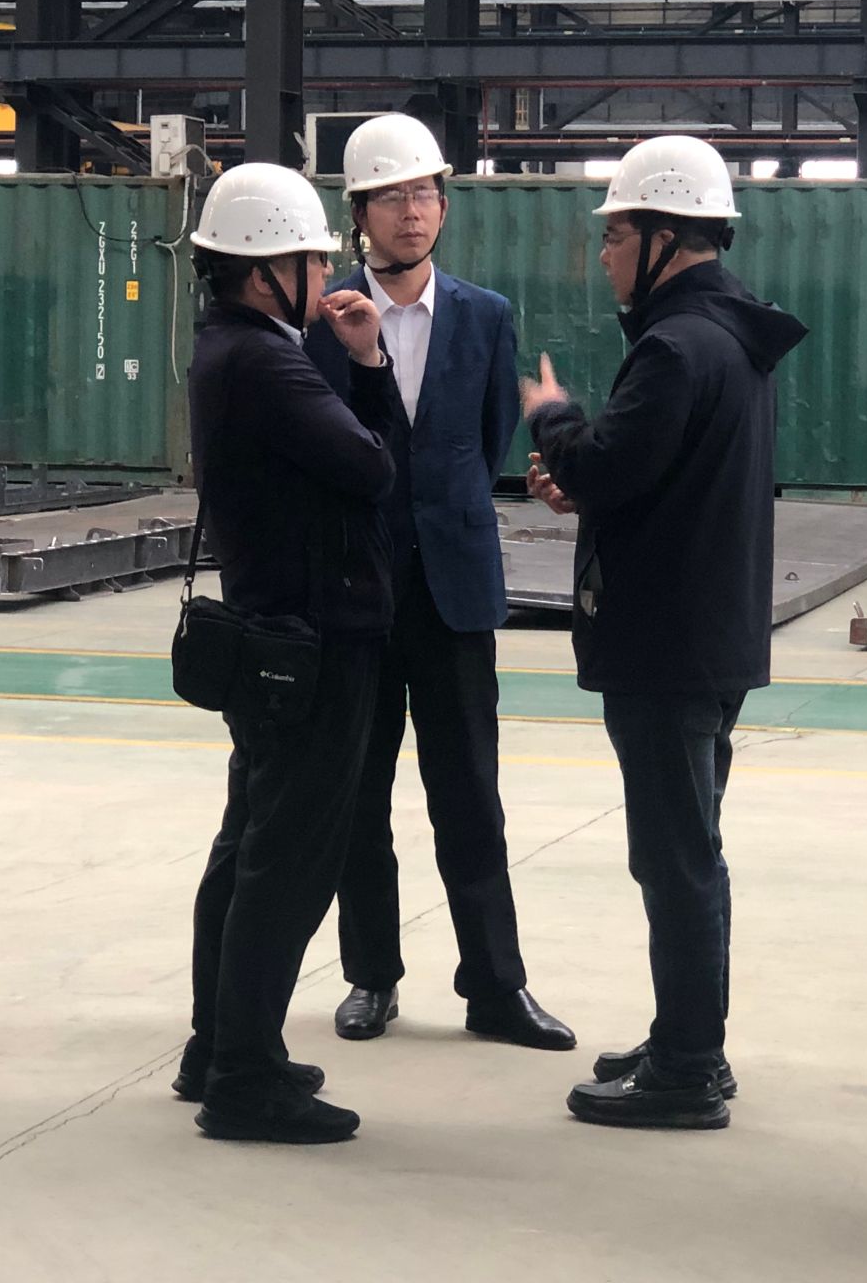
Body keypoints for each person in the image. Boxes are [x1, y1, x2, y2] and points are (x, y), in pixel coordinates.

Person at [520, 135, 805, 1130]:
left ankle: (688, 1065)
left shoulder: (675, 346)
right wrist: (591, 483)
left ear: (664, 238)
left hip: (665, 647)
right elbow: (656, 478)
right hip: (706, 637)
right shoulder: (730, 336)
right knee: (687, 848)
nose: (603, 254)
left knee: (676, 858)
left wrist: (553, 418)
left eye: (615, 235)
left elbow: (606, 464)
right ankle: (682, 1032)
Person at [307, 112, 576, 1053]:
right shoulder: (325, 318)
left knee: (470, 793)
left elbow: (489, 436)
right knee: (359, 792)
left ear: (444, 205)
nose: (412, 212)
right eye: (391, 198)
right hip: (358, 591)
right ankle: (371, 976)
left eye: (424, 193)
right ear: (360, 215)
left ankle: (496, 987)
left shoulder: (485, 315)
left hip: (454, 589)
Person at [174, 161, 398, 1145]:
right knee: (287, 861)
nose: (325, 276)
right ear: (268, 271)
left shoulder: (228, 348)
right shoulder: (268, 363)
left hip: (271, 640)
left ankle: (215, 1047)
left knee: (247, 845)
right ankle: (245, 1077)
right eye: (312, 260)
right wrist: (370, 367)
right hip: (313, 644)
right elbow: (373, 467)